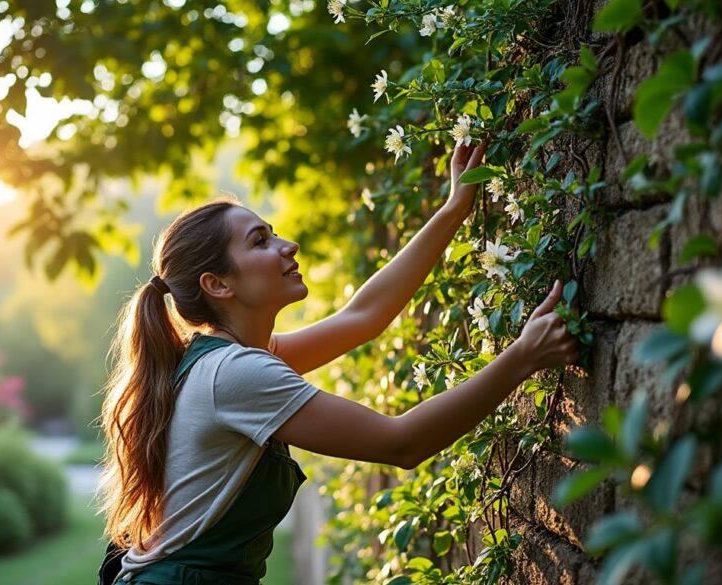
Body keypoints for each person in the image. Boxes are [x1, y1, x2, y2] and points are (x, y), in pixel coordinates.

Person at [96, 141, 579, 585]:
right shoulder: (234, 374)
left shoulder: (231, 360)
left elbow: (363, 317)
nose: (288, 245)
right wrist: (522, 357)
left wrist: (454, 208)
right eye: (260, 241)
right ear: (218, 285)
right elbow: (403, 443)